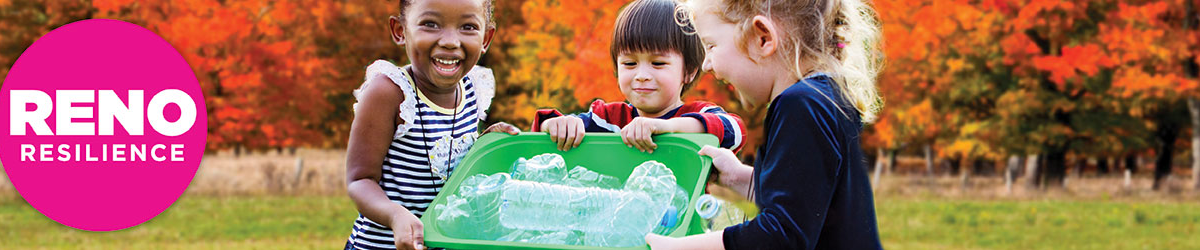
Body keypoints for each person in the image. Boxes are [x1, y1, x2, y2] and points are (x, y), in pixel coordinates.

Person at [645, 0, 885, 249]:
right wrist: (741, 179)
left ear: (762, 39)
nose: (707, 64)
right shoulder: (826, 97)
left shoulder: (800, 105)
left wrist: (677, 247)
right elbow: (809, 204)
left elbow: (781, 236)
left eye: (711, 45)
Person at [343, 0, 518, 249]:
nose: (450, 41)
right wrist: (395, 215)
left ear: (486, 38)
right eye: (430, 24)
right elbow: (360, 180)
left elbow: (448, 164)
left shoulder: (473, 89)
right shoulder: (390, 92)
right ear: (400, 31)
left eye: (468, 27)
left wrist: (485, 146)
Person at [533, 0, 747, 154]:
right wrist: (557, 125)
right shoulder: (608, 120)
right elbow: (546, 133)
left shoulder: (698, 114)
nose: (642, 75)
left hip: (684, 216)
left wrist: (668, 127)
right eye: (629, 64)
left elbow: (735, 131)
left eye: (658, 63)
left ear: (689, 71)